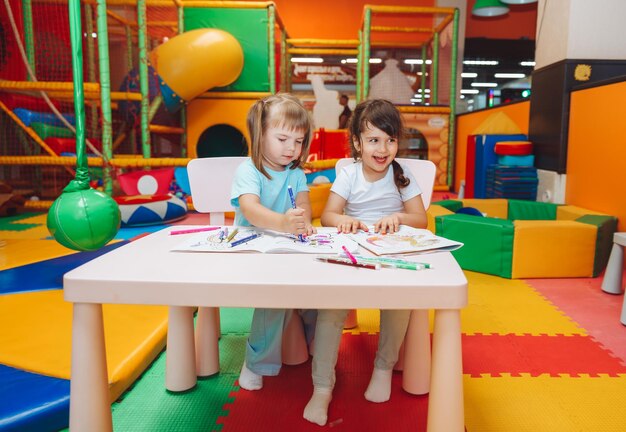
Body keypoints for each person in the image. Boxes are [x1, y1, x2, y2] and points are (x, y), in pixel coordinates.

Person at [303, 99, 428, 426]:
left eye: (390, 140)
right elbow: (328, 214)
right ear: (357, 143)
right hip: (352, 252)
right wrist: (342, 220)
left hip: (390, 252)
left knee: (401, 299)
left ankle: (383, 367)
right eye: (373, 140)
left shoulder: (402, 174)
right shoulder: (349, 174)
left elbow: (421, 219)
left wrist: (399, 217)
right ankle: (321, 387)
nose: (383, 148)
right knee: (331, 307)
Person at [231, 93, 317, 391]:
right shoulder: (249, 170)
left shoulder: (295, 172)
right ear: (260, 133)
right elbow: (250, 209)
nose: (291, 148)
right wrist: (282, 222)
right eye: (282, 139)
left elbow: (305, 204)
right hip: (251, 247)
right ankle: (257, 363)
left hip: (286, 248)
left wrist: (303, 219)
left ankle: (312, 345)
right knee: (275, 298)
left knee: (321, 288)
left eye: (298, 141)